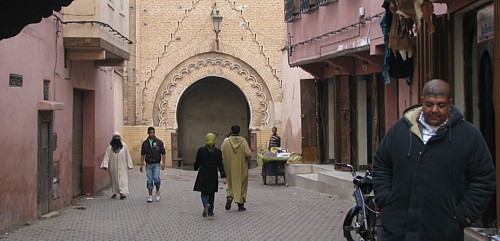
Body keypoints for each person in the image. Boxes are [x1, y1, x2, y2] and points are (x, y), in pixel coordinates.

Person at [373, 79, 496, 240]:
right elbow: (382, 165)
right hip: (397, 230)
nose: (434, 110)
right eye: (429, 104)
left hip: (443, 232)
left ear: (450, 104)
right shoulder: (400, 130)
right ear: (422, 101)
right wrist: (386, 199)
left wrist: (464, 214)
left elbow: (484, 178)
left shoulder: (468, 136)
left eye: (441, 105)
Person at [193, 133, 227, 217]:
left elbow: (197, 162)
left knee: (203, 192)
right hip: (213, 175)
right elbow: (220, 165)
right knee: (211, 193)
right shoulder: (218, 152)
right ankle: (211, 211)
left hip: (203, 174)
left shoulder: (201, 150)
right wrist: (223, 176)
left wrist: (195, 167)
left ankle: (205, 204)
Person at [221, 124, 252, 211]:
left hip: (229, 168)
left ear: (231, 131)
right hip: (241, 168)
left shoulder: (226, 142)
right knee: (241, 185)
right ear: (239, 131)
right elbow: (248, 154)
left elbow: (222, 153)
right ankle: (240, 205)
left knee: (230, 184)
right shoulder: (243, 141)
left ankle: (230, 197)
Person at [100, 131, 134, 200]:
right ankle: (114, 192)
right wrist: (105, 165)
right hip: (113, 166)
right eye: (115, 136)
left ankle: (122, 193)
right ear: (113, 138)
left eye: (118, 136)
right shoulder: (110, 147)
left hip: (122, 166)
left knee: (122, 179)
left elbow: (127, 155)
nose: (117, 138)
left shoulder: (124, 146)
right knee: (114, 179)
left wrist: (129, 165)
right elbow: (107, 156)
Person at [140, 127, 166, 203]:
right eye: (151, 132)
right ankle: (150, 196)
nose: (152, 134)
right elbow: (142, 154)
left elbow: (163, 153)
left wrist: (163, 163)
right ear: (148, 133)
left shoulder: (159, 142)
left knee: (156, 178)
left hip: (156, 163)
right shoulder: (145, 143)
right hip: (148, 164)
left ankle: (157, 191)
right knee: (149, 180)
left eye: (153, 132)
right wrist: (141, 164)